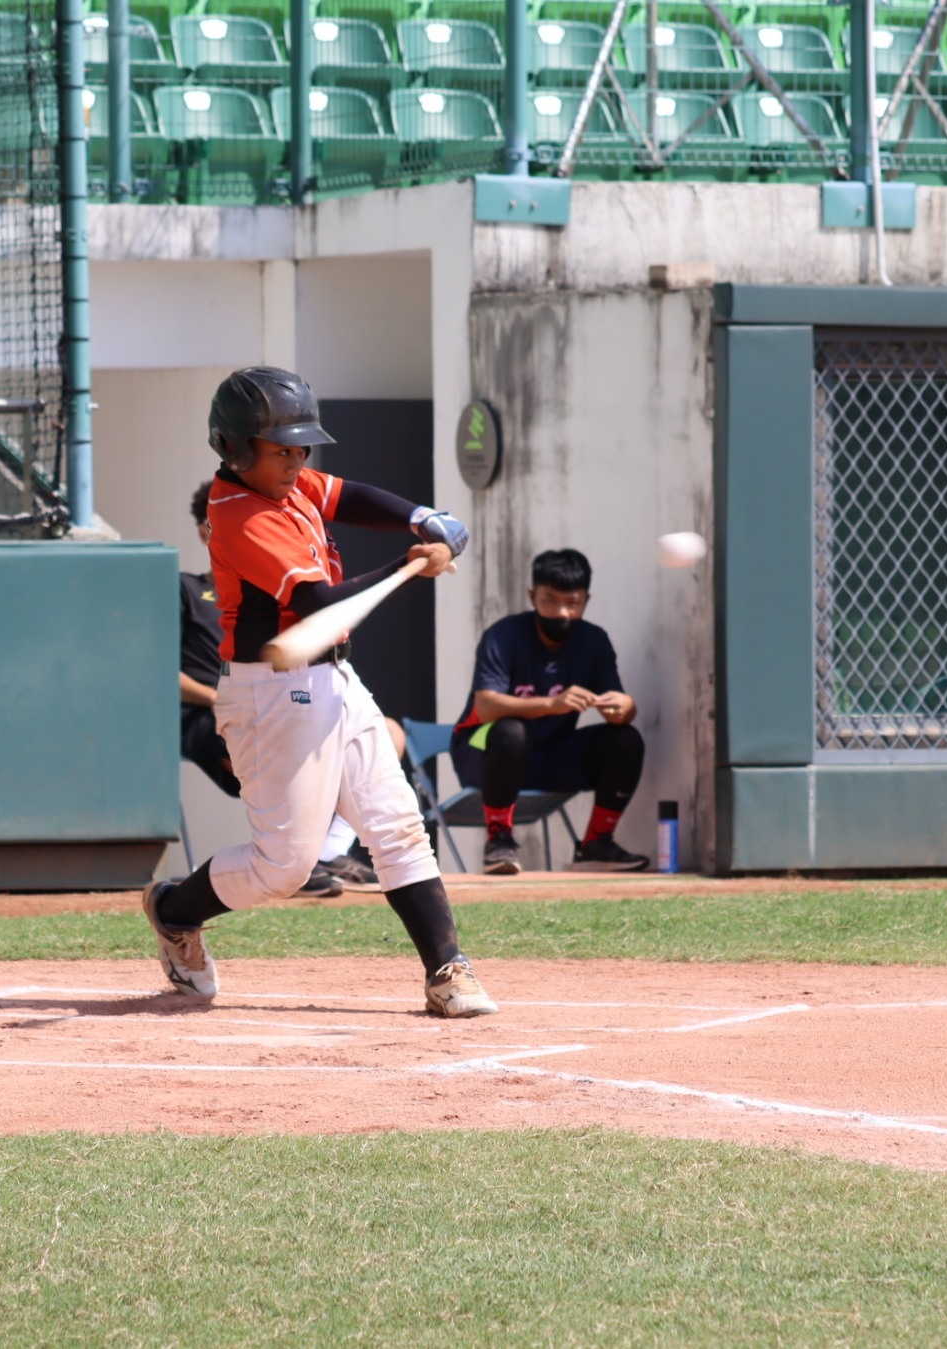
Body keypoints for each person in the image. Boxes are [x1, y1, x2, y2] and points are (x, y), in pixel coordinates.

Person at [143, 367, 496, 1019]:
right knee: (285, 865)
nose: (296, 461)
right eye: (282, 449)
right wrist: (412, 562)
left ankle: (447, 969)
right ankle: (172, 909)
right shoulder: (240, 514)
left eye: (302, 447)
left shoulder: (287, 478)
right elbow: (317, 601)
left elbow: (348, 495)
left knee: (396, 825)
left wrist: (420, 517)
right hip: (270, 695)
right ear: (235, 448)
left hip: (335, 677)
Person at [178, 483, 376, 895]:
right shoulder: (186, 589)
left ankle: (326, 851)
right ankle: (295, 861)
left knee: (387, 734)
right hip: (206, 712)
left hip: (280, 701)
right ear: (205, 532)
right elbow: (158, 671)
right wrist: (214, 697)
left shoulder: (276, 592)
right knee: (288, 765)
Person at [451, 548, 648, 875]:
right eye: (550, 600)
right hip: (483, 752)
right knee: (511, 730)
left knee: (625, 740)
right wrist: (551, 704)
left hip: (548, 756)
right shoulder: (504, 635)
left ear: (587, 599)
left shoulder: (594, 641)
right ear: (532, 596)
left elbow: (620, 708)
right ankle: (498, 840)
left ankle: (596, 845)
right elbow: (485, 706)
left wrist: (624, 708)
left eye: (572, 602)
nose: (561, 612)